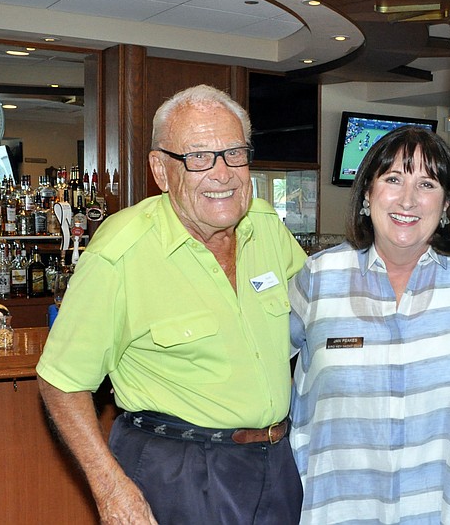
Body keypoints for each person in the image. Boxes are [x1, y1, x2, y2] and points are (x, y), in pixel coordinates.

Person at [37, 84, 307, 524]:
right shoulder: (122, 252)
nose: (222, 174)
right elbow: (60, 382)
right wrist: (110, 488)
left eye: (234, 153)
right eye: (198, 157)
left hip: (275, 464)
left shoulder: (265, 225)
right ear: (161, 171)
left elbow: (318, 309)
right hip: (177, 471)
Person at [288, 126, 450, 523]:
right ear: (367, 194)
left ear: (445, 207)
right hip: (337, 509)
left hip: (442, 511)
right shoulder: (319, 276)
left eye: (427, 183)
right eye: (392, 179)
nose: (408, 199)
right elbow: (259, 362)